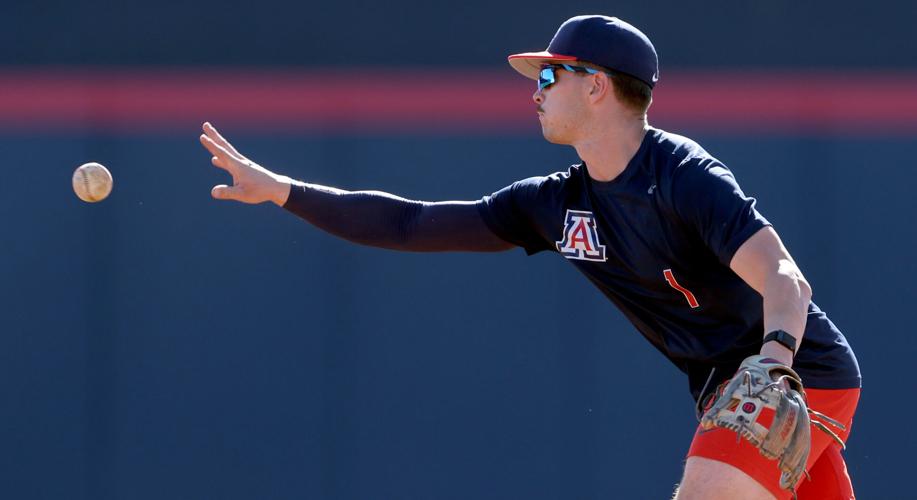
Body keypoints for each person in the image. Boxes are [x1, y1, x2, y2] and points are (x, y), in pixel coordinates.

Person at [199, 15, 861, 499]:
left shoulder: (683, 175)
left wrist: (773, 360)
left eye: (549, 73)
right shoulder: (553, 205)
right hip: (731, 393)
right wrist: (283, 191)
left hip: (796, 376)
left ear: (596, 86)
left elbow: (781, 275)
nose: (535, 89)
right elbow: (410, 222)